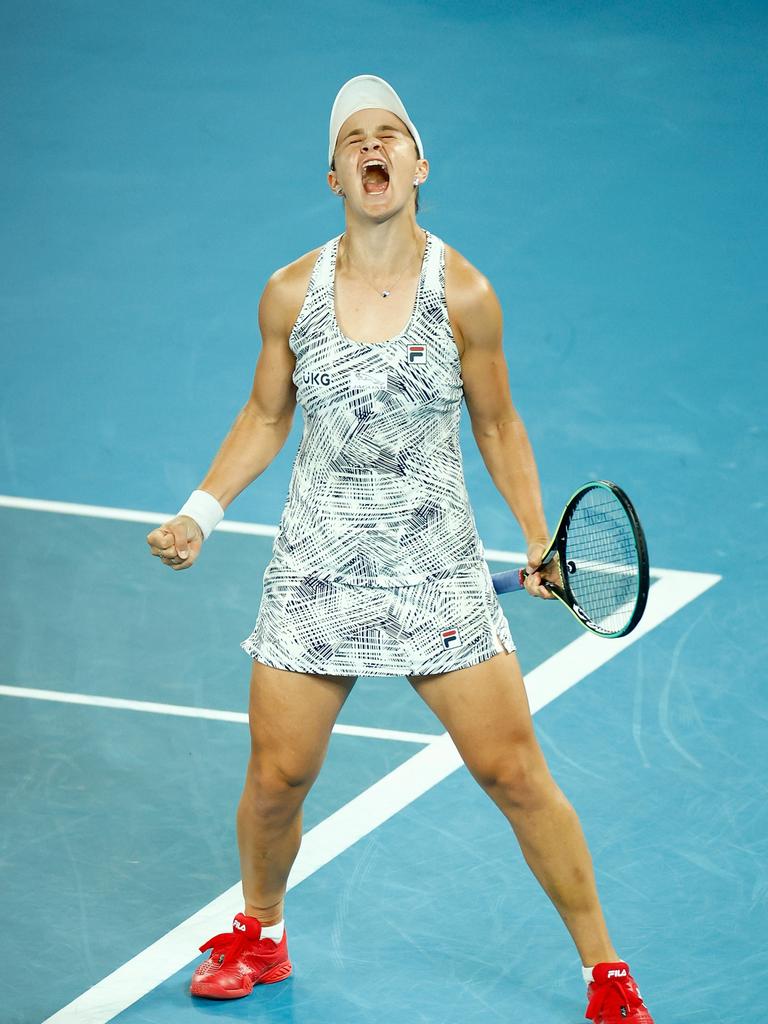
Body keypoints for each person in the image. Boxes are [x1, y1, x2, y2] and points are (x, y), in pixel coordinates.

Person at [146, 74, 654, 1023]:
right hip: (317, 572)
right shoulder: (290, 291)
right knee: (276, 779)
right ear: (334, 175)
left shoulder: (463, 292)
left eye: (391, 136)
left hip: (437, 573)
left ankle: (605, 971)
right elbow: (266, 415)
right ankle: (261, 932)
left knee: (514, 773)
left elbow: (499, 426)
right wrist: (201, 513)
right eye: (354, 141)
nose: (373, 148)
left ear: (419, 165)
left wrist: (537, 537)